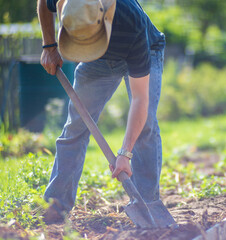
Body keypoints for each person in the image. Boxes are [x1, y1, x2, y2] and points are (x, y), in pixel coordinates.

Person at [37, 0, 165, 224]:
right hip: (97, 61)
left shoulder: (129, 21)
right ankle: (56, 204)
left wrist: (125, 154)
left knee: (145, 127)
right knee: (75, 127)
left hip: (143, 49)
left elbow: (140, 98)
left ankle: (148, 205)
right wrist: (49, 45)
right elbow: (42, 3)